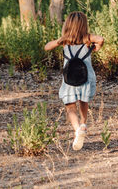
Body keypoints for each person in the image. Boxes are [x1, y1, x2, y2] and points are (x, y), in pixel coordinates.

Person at [44, 12, 104, 150]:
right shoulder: (88, 40)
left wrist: (61, 39)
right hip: (86, 77)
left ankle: (77, 129)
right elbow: (100, 39)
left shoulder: (64, 41)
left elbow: (47, 47)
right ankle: (83, 124)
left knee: (70, 105)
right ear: (84, 25)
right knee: (84, 101)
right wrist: (96, 46)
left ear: (67, 25)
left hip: (69, 78)